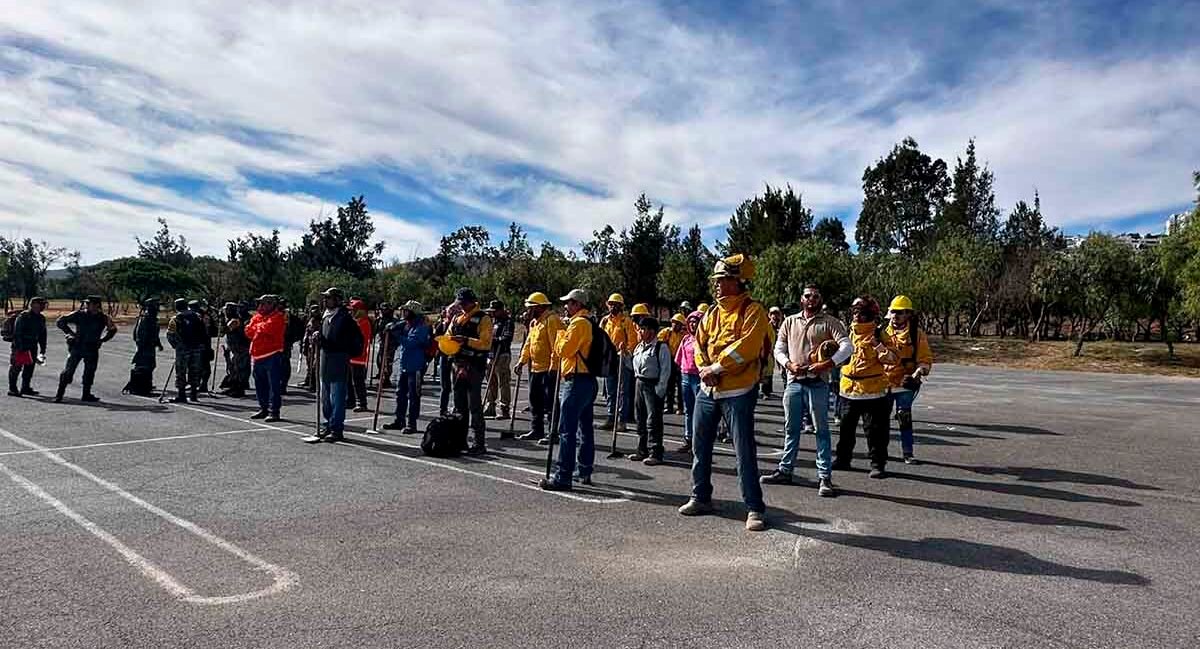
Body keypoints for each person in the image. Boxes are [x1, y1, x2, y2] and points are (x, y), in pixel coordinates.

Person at [677, 254, 769, 532]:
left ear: (737, 281)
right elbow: (699, 345)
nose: (716, 285)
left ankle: (754, 508)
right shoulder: (712, 313)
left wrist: (717, 367)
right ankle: (700, 496)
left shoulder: (753, 310)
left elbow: (748, 347)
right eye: (715, 280)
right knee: (700, 445)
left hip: (738, 390)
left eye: (722, 280)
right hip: (709, 387)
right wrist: (706, 369)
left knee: (743, 450)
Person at [760, 285, 852, 497]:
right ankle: (785, 470)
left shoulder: (830, 322)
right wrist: (788, 364)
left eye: (816, 296)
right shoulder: (790, 321)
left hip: (817, 383)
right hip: (794, 382)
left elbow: (847, 346)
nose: (812, 299)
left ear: (820, 299)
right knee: (791, 429)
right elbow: (778, 348)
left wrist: (828, 363)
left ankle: (824, 477)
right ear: (801, 299)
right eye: (808, 296)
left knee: (821, 430)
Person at [538, 288, 598, 491]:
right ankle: (584, 470)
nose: (565, 306)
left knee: (567, 431)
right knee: (585, 429)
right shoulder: (587, 322)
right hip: (586, 381)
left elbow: (564, 350)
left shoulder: (579, 323)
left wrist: (561, 333)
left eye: (568, 303)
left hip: (577, 381)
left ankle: (563, 476)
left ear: (577, 304)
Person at [833, 296, 899, 478]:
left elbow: (893, 359)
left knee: (876, 432)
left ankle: (878, 464)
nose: (856, 316)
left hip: (873, 392)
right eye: (854, 312)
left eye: (860, 313)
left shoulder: (879, 335)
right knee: (845, 430)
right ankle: (843, 459)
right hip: (848, 390)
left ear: (870, 315)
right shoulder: (846, 333)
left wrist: (878, 347)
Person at [306, 287, 363, 443]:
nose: (325, 301)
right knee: (325, 398)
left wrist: (323, 341)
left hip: (338, 361)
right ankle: (327, 425)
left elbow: (342, 343)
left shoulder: (345, 319)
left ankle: (337, 428)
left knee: (337, 398)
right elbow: (326, 340)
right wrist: (317, 338)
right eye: (325, 298)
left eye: (328, 298)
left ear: (337, 300)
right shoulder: (326, 317)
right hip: (325, 361)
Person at [882, 295, 933, 464]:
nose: (895, 316)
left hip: (905, 383)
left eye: (899, 312)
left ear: (908, 314)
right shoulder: (881, 332)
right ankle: (880, 452)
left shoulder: (916, 334)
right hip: (883, 384)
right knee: (880, 421)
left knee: (904, 418)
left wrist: (918, 373)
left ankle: (907, 453)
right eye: (893, 312)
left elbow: (924, 359)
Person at [448, 288, 492, 455]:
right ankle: (460, 441)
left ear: (472, 302)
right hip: (457, 364)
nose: (462, 306)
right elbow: (448, 335)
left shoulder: (483, 318)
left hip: (474, 366)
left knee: (474, 405)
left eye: (464, 303)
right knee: (459, 406)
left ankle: (479, 443)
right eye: (460, 303)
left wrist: (466, 340)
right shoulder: (457, 318)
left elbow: (486, 343)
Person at [516, 292, 563, 442]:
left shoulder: (551, 320)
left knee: (550, 402)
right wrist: (521, 361)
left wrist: (553, 367)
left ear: (540, 307)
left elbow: (556, 347)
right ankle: (537, 430)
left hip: (548, 369)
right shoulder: (534, 323)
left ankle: (553, 433)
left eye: (531, 307)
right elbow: (528, 344)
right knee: (534, 401)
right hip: (535, 369)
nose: (528, 311)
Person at [54, 296, 117, 403]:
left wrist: (102, 340)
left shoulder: (103, 317)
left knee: (89, 372)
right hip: (77, 346)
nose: (87, 306)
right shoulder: (79, 314)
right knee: (68, 371)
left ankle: (86, 394)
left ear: (97, 305)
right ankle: (59, 395)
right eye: (87, 304)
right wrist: (70, 333)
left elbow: (113, 329)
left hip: (92, 348)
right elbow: (60, 321)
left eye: (90, 304)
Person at [383, 301, 432, 435]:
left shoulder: (421, 327)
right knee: (400, 394)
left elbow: (411, 343)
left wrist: (397, 335)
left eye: (406, 311)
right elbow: (397, 325)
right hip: (404, 364)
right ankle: (399, 420)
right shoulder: (407, 324)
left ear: (413, 312)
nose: (403, 313)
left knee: (413, 395)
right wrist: (390, 326)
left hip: (415, 365)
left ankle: (412, 423)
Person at [630, 317, 672, 465]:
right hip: (639, 382)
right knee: (640, 417)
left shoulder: (661, 347)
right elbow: (633, 366)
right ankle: (642, 450)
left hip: (652, 384)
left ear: (652, 331)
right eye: (640, 329)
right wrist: (624, 354)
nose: (640, 332)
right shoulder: (639, 347)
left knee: (653, 419)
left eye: (643, 329)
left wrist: (659, 390)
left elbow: (666, 370)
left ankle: (655, 451)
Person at [244, 295, 286, 421]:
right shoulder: (257, 317)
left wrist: (258, 328)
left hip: (272, 355)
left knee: (273, 385)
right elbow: (248, 331)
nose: (260, 307)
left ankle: (274, 411)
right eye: (260, 304)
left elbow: (267, 329)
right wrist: (259, 328)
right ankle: (263, 408)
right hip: (257, 356)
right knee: (260, 384)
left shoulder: (278, 317)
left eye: (264, 304)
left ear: (271, 305)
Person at [600, 293, 637, 432]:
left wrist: (626, 351)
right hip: (609, 358)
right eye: (611, 303)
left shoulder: (626, 321)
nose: (613, 306)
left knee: (623, 391)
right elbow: (600, 338)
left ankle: (622, 420)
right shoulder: (604, 321)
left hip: (622, 358)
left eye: (616, 304)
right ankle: (611, 417)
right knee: (610, 390)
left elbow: (632, 341)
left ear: (621, 306)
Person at [674, 310, 704, 454]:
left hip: (699, 378)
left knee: (699, 411)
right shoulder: (686, 339)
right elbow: (679, 359)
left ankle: (699, 441)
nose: (693, 324)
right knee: (688, 410)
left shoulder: (705, 340)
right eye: (691, 321)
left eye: (696, 321)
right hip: (685, 376)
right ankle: (688, 438)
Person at [165, 298, 205, 403]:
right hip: (196, 348)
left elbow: (170, 335)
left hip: (183, 349)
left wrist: (176, 346)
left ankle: (181, 395)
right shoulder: (197, 316)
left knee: (181, 372)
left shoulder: (176, 319)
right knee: (194, 371)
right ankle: (193, 395)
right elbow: (203, 333)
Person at [7, 296, 48, 397]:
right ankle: (12, 388)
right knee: (16, 367)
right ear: (34, 305)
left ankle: (25, 387)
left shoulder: (41, 318)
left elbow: (43, 334)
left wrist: (43, 349)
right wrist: (20, 348)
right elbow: (18, 332)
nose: (43, 306)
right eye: (40, 304)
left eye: (43, 304)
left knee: (29, 368)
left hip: (32, 345)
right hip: (21, 345)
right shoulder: (23, 316)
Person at [482, 300, 515, 422]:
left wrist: (493, 340)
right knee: (491, 382)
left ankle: (504, 408)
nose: (492, 313)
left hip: (502, 355)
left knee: (503, 382)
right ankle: (490, 405)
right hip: (491, 355)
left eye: (494, 311)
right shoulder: (493, 321)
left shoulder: (507, 322)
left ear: (501, 310)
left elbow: (506, 338)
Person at [125, 298, 163, 396]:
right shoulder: (145, 318)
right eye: (156, 306)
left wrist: (158, 344)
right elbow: (139, 335)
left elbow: (154, 333)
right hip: (145, 346)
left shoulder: (152, 318)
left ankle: (145, 384)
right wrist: (142, 347)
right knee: (143, 365)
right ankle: (139, 386)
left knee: (150, 366)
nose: (157, 308)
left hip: (150, 346)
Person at [218, 302, 251, 398]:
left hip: (241, 348)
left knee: (239, 368)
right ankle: (234, 387)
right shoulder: (234, 319)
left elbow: (223, 331)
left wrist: (221, 319)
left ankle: (239, 389)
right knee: (234, 368)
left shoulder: (235, 321)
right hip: (236, 348)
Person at [434, 304, 461, 416]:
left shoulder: (459, 325)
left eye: (451, 313)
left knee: (457, 385)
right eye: (448, 313)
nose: (449, 315)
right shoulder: (442, 324)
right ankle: (443, 409)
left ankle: (457, 407)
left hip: (456, 357)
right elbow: (436, 336)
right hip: (444, 356)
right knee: (445, 386)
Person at [347, 298, 372, 413]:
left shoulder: (364, 323)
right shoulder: (356, 322)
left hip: (359, 356)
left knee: (358, 381)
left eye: (353, 310)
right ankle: (351, 400)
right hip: (351, 355)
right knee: (349, 380)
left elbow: (359, 339)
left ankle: (361, 402)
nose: (351, 312)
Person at [658, 313, 685, 414]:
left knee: (680, 386)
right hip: (669, 361)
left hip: (680, 361)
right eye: (674, 323)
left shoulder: (683, 335)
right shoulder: (666, 332)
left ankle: (680, 407)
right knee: (669, 385)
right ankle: (669, 406)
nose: (675, 325)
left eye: (677, 323)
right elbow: (658, 341)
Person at [760, 306, 784, 399]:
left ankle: (768, 391)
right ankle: (765, 392)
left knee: (778, 372)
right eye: (772, 314)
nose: (775, 316)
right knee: (767, 371)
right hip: (769, 353)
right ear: (769, 315)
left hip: (780, 352)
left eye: (777, 314)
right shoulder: (766, 326)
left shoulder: (782, 326)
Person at [296, 304, 321, 392]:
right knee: (309, 365)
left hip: (316, 347)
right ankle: (308, 381)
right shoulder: (309, 320)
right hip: (309, 346)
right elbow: (306, 333)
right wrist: (304, 345)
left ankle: (313, 384)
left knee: (314, 366)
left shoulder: (319, 321)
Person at [375, 302, 397, 389]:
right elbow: (377, 329)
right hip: (382, 343)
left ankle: (386, 379)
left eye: (385, 309)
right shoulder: (380, 319)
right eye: (382, 309)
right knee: (379, 361)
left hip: (390, 344)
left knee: (387, 362)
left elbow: (395, 331)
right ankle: (381, 376)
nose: (383, 311)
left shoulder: (393, 320)